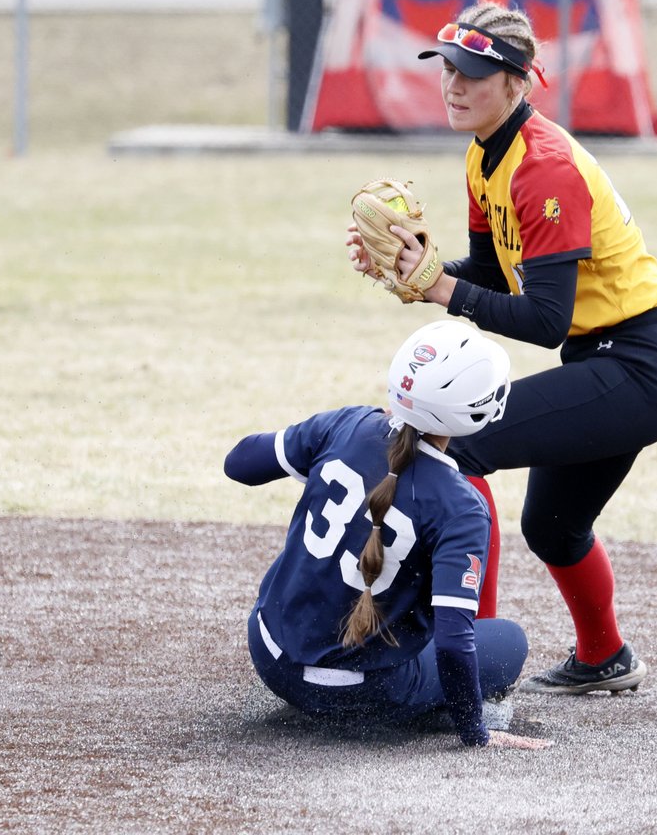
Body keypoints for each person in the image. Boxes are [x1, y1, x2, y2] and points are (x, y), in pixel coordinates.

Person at [346, 0, 657, 695]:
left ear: (516, 82)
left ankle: (469, 663)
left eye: (472, 74)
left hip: (643, 364)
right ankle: (605, 657)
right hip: (609, 360)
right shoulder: (486, 154)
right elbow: (490, 272)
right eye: (447, 68)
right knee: (553, 526)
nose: (453, 85)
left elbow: (544, 319)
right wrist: (416, 270)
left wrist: (439, 288)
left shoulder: (544, 167)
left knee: (459, 444)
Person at [224, 320, 550, 749]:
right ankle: (430, 714)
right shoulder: (462, 506)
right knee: (509, 642)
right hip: (359, 695)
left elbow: (239, 464)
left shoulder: (349, 423)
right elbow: (454, 643)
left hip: (269, 655)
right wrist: (476, 734)